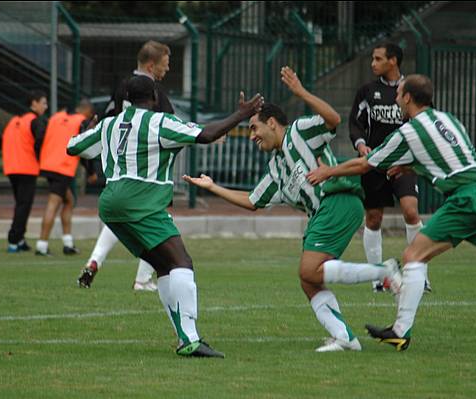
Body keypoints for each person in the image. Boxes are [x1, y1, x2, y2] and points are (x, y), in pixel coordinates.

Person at [306, 74, 476, 351]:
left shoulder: (409, 131)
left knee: (413, 255)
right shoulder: (449, 119)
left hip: (466, 199)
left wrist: (328, 170)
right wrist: (409, 166)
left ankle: (400, 331)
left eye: (399, 93)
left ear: (408, 97)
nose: (396, 98)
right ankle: (399, 330)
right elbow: (450, 158)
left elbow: (366, 164)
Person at [183, 67, 400, 353]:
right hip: (323, 214)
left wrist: (300, 93)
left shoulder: (299, 131)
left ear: (272, 123)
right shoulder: (275, 168)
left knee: (309, 269)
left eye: (254, 128)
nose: (252, 136)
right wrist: (212, 187)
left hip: (336, 202)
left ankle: (384, 271)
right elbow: (252, 201)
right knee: (308, 280)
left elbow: (333, 120)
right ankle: (345, 337)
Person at [67, 75, 264, 358]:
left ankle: (186, 337)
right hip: (141, 200)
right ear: (156, 98)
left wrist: (89, 129)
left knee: (164, 267)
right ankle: (191, 340)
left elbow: (73, 148)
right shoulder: (158, 122)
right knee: (182, 262)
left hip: (110, 203)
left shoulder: (110, 123)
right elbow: (206, 134)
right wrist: (242, 114)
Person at [79, 40, 173, 290]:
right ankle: (142, 279)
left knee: (121, 217)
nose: (168, 70)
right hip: (146, 171)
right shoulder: (151, 92)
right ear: (151, 66)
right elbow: (169, 124)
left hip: (120, 169)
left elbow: (107, 120)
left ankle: (94, 261)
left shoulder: (123, 88)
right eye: (165, 65)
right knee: (157, 220)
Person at [349, 43, 431, 292]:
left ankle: (419, 275)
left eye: (378, 59)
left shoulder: (411, 90)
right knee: (373, 218)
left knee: (411, 211)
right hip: (375, 163)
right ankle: (378, 278)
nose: (372, 63)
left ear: (393, 61)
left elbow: (424, 120)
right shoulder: (367, 91)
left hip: (404, 163)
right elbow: (355, 123)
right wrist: (361, 145)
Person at [34, 100, 96, 256]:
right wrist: (91, 172)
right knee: (53, 204)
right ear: (87, 111)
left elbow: (40, 139)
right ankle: (42, 245)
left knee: (69, 201)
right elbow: (84, 147)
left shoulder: (56, 117)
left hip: (48, 164)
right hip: (63, 167)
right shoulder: (81, 122)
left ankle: (68, 243)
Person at [0, 90, 48, 253]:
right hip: (27, 168)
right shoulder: (35, 121)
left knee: (21, 204)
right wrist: (38, 156)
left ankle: (19, 238)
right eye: (43, 102)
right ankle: (14, 239)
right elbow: (41, 139)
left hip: (11, 168)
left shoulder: (14, 121)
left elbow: (0, 141)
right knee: (23, 205)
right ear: (33, 103)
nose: (45, 107)